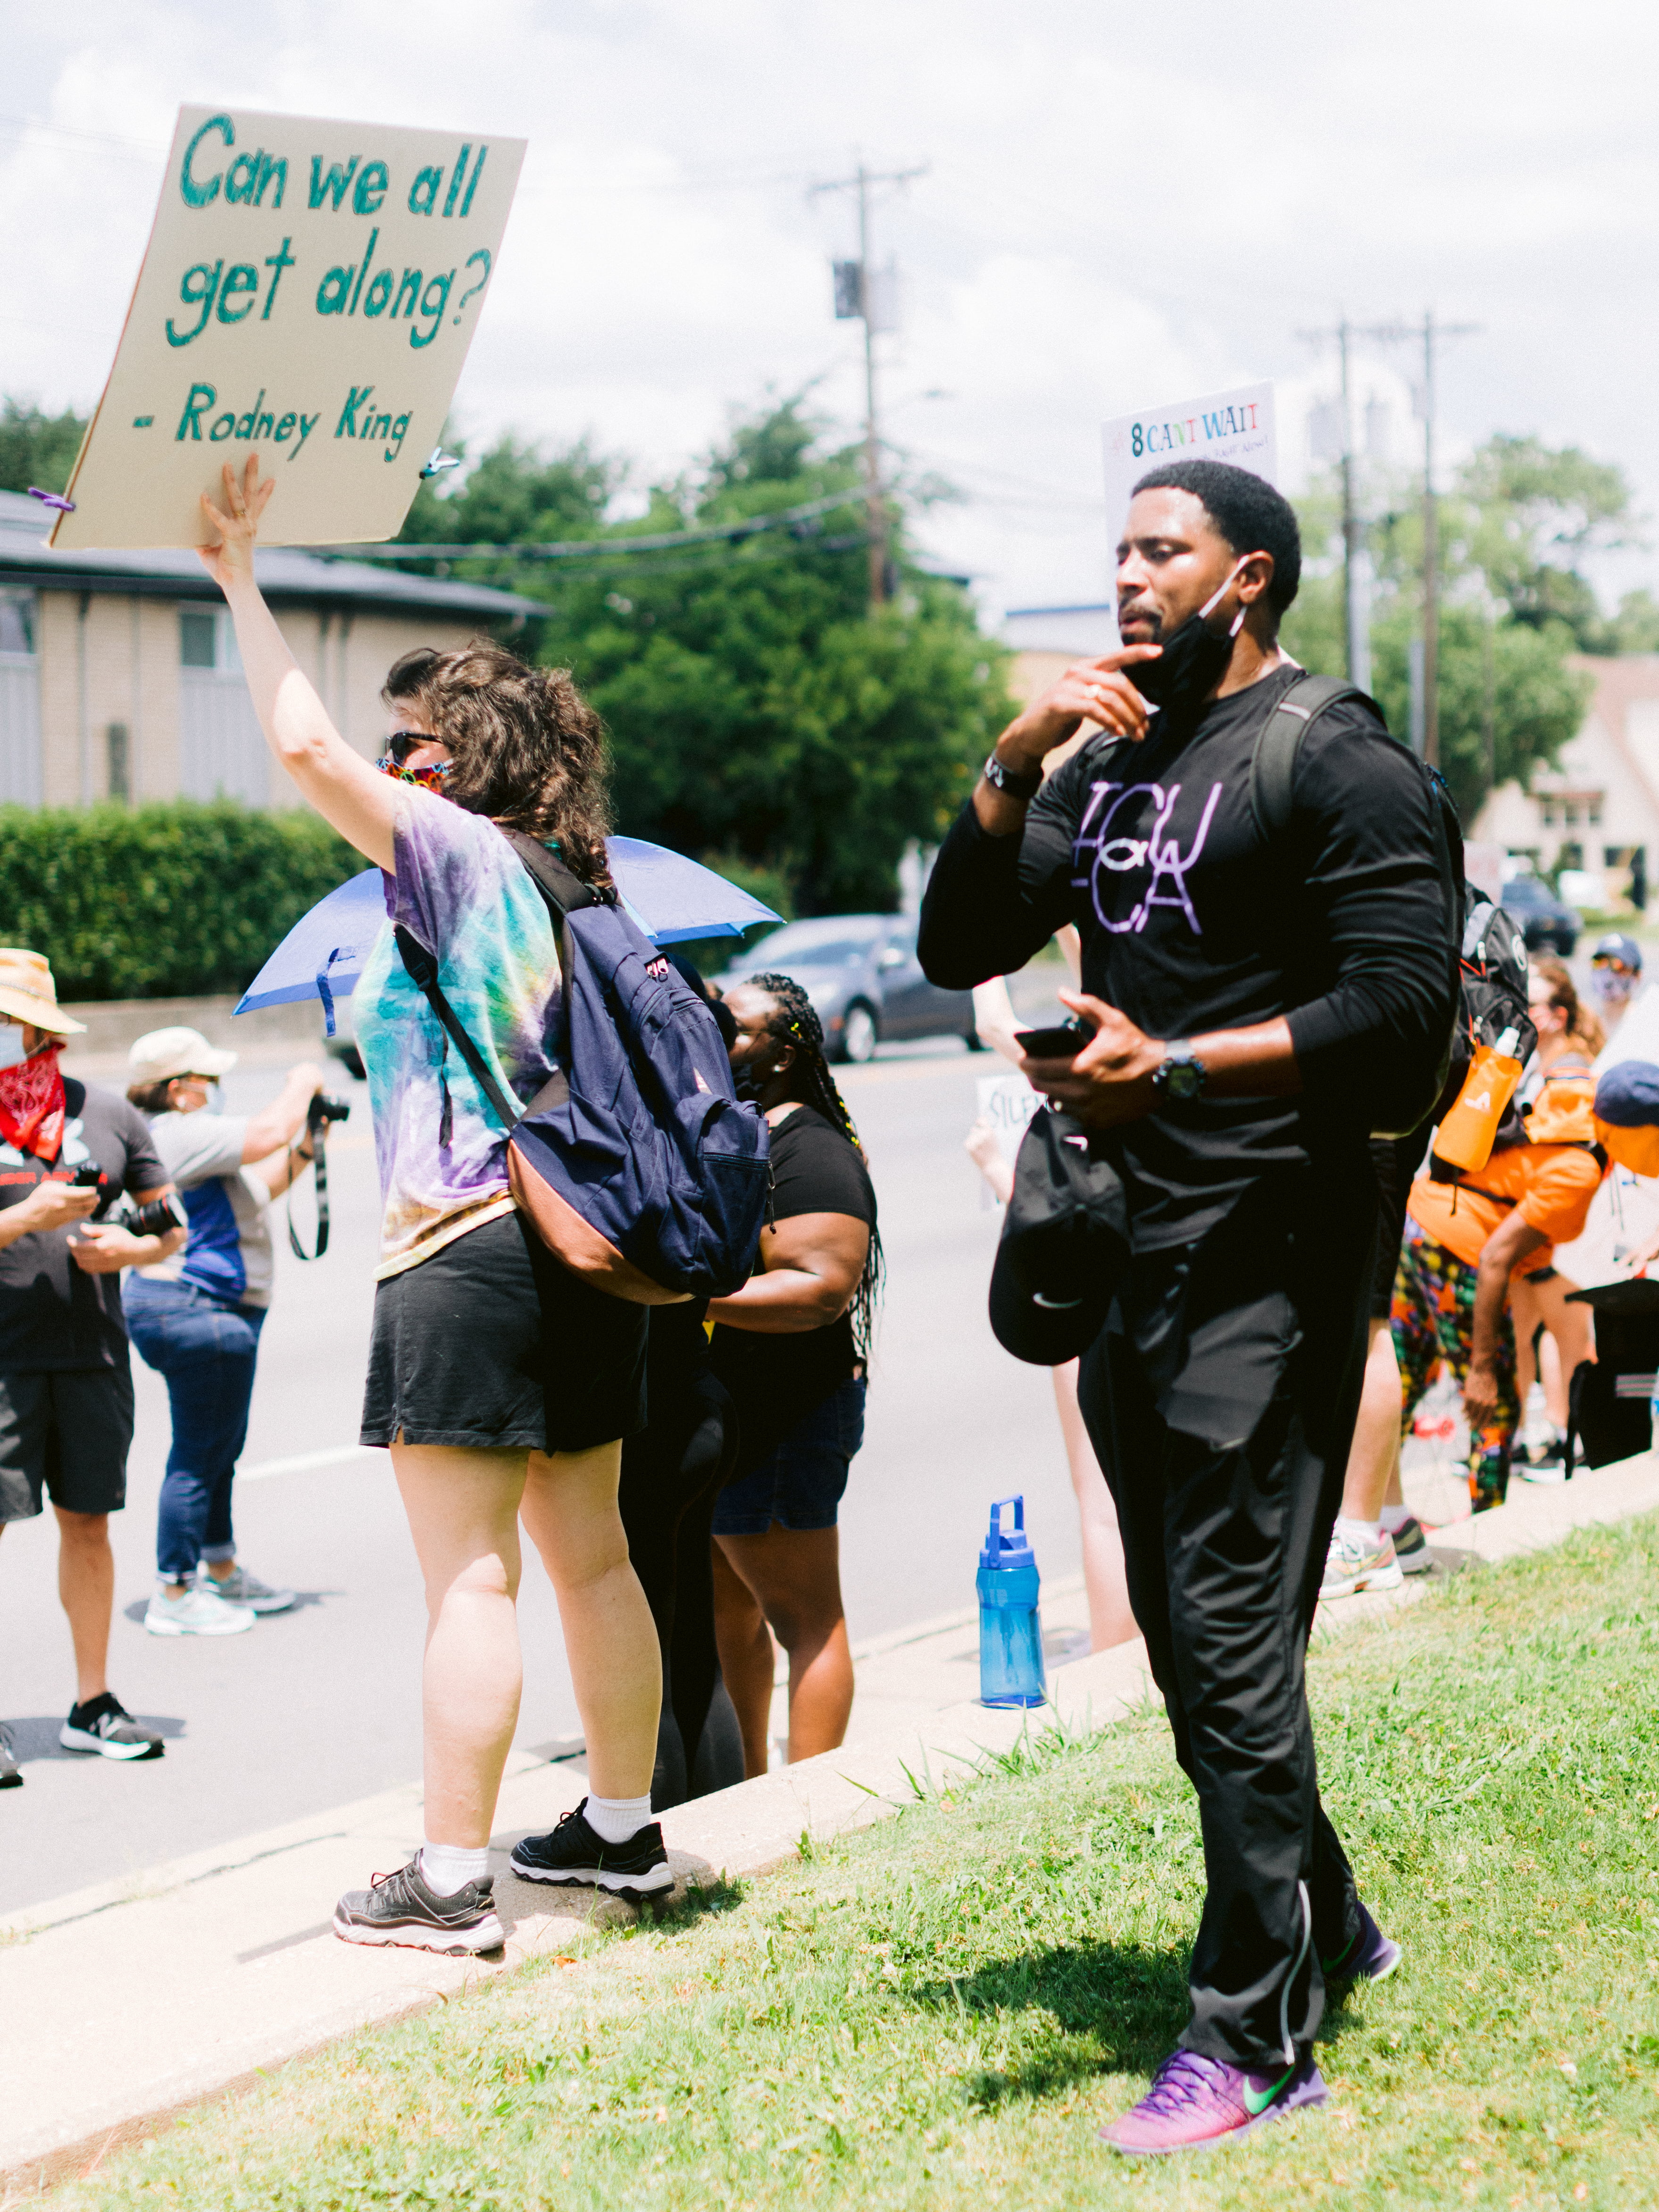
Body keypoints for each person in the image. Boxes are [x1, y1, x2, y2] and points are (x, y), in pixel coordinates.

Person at [918, 457, 1457, 2153]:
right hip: (1127, 1241)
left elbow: (1398, 1008)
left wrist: (1181, 1060)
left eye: (1165, 550)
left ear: (1250, 577)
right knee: (1183, 1626)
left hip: (1275, 1245)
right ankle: (1325, 1912)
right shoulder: (1110, 760)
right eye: (1117, 551)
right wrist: (1009, 769)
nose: (1129, 577)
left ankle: (1255, 2030)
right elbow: (956, 941)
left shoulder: (1333, 760)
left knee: (1225, 1625)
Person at [196, 457, 668, 1952]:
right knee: (590, 1551)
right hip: (576, 1246)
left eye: (414, 743)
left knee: (469, 1569)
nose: (391, 762)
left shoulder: (454, 853)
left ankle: (450, 1878)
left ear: (457, 764)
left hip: (464, 1249)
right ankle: (617, 1830)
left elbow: (301, 747)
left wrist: (235, 576)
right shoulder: (575, 874)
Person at [0, 949, 187, 1787]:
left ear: (40, 1028)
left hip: (91, 1356)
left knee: (90, 1524)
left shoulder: (108, 1113)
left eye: (10, 1021)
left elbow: (171, 1225)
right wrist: (25, 1217)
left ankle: (92, 1701)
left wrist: (131, 1248)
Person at [707, 973, 880, 1776]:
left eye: (735, 1027)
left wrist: (695, 1300)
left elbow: (820, 1285)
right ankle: (748, 1790)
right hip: (734, 1412)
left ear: (785, 1050)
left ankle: (808, 1805)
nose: (717, 1035)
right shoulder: (744, 1130)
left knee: (802, 1618)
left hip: (786, 1411)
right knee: (728, 1615)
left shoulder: (807, 1145)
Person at [123, 1027, 324, 1635]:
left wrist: (310, 1147)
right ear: (180, 1091)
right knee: (199, 1453)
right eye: (208, 1079)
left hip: (197, 1307)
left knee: (217, 1449)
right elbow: (266, 1134)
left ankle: (221, 1569)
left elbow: (257, 1189)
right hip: (194, 1309)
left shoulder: (186, 1147)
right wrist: (304, 1081)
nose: (217, 1089)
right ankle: (176, 1590)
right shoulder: (174, 1134)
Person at [965, 951, 1137, 1651]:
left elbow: (992, 1020)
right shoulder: (1175, 1058)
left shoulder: (1078, 1070)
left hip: (1093, 1286)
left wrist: (998, 1169)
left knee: (1101, 1498)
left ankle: (1116, 1651)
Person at [1394, 1037, 1607, 1515]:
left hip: (1420, 1225)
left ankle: (1370, 1517)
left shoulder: (1542, 1134)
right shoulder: (1577, 1166)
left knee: (1404, 1379)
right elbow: (1494, 1259)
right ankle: (1488, 1524)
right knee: (1496, 1407)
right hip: (1457, 1250)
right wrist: (1483, 1368)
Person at [1508, 960, 1602, 1477]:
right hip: (1528, 1227)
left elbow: (1562, 1147)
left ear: (1557, 1014)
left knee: (1569, 1339)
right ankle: (1530, 1438)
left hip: (1555, 1228)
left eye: (1531, 1005)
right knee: (1518, 1337)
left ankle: (1574, 1442)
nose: (1522, 1012)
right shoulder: (1540, 1061)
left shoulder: (1569, 1067)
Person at [1588, 931, 1643, 1037]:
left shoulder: (1647, 1023)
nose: (1607, 973)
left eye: (1617, 965)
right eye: (1600, 963)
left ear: (1637, 975)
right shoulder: (1586, 1026)